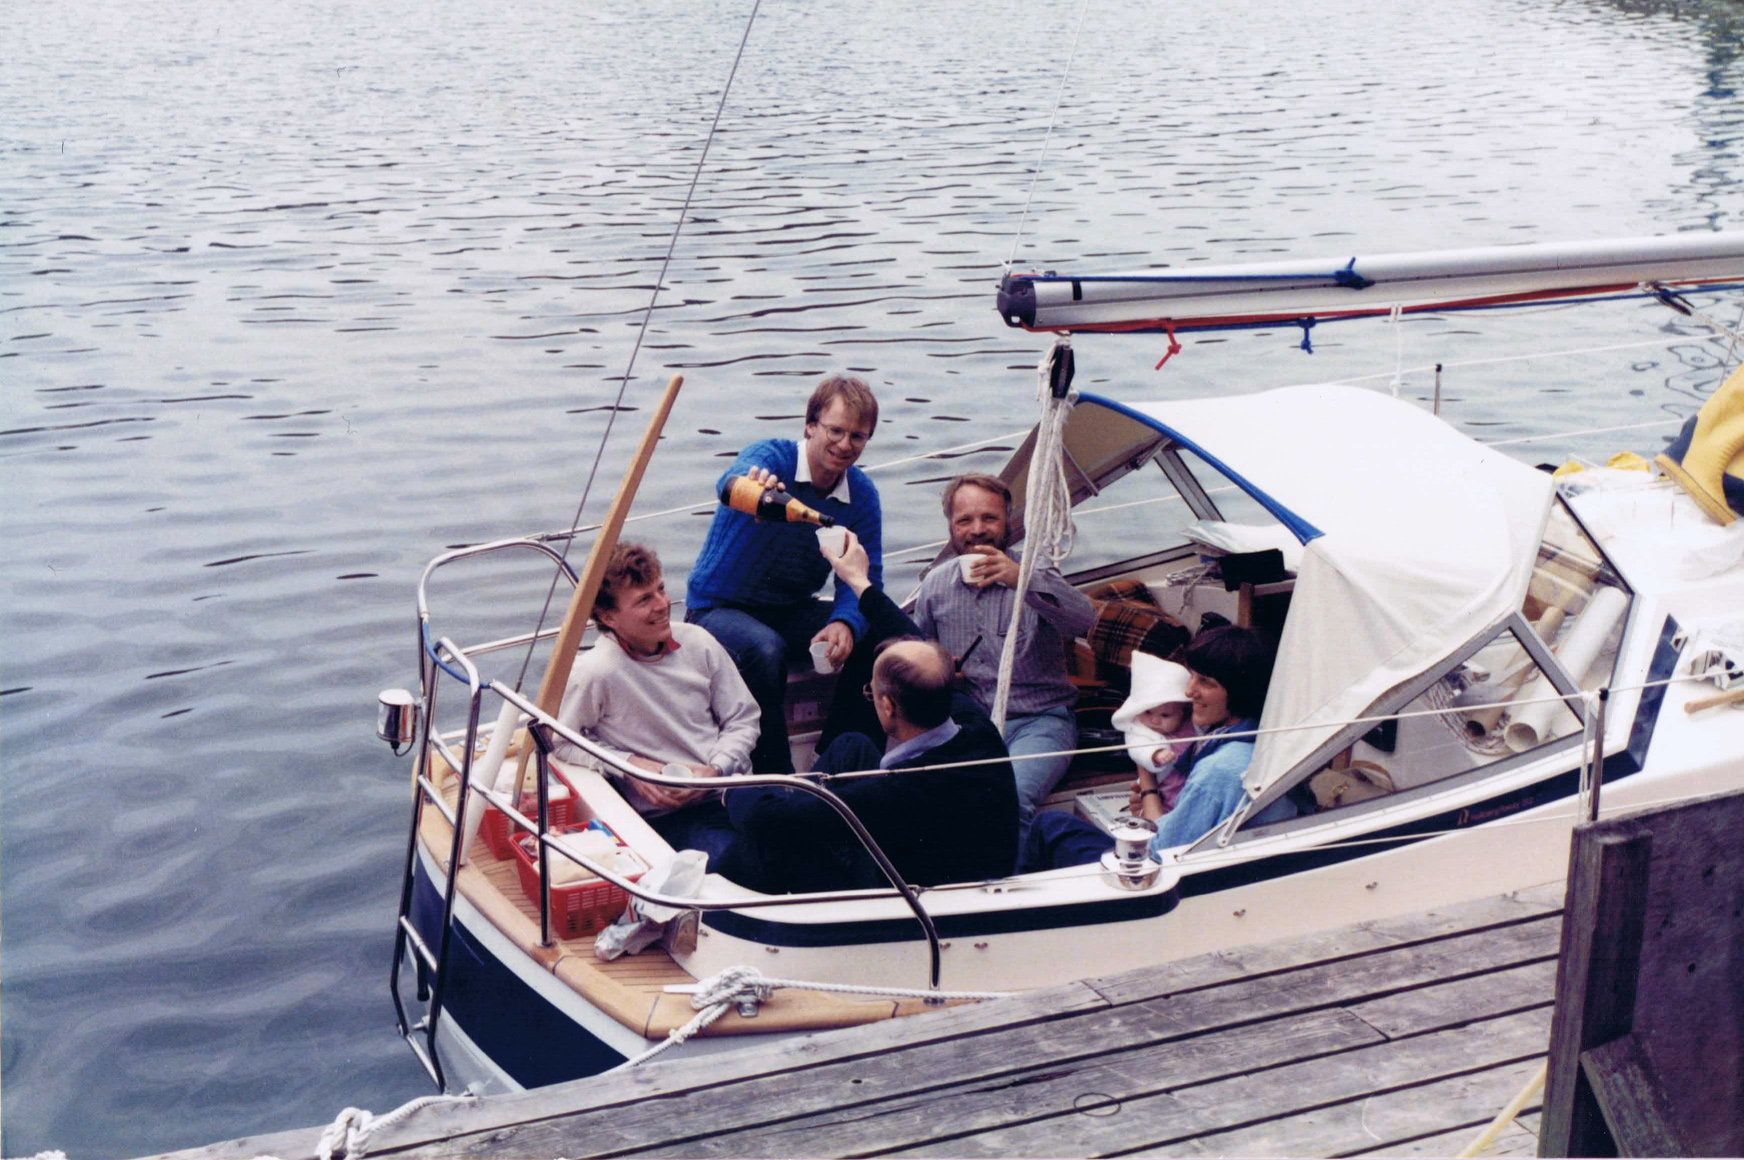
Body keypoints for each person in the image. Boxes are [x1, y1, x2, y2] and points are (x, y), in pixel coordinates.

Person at [716, 632, 1020, 895]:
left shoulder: (896, 792)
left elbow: (764, 819)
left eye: (870, 692)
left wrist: (733, 789)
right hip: (949, 856)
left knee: (769, 837)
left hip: (901, 901)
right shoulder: (981, 730)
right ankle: (803, 808)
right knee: (852, 745)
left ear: (888, 705)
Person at [685, 373, 884, 773]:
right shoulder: (773, 458)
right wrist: (756, 487)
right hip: (717, 608)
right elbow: (729, 482)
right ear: (810, 426)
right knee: (764, 650)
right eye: (835, 430)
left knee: (879, 632)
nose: (845, 444)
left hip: (790, 608)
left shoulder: (862, 495)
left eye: (857, 436)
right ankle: (775, 776)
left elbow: (866, 575)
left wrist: (845, 621)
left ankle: (838, 759)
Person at [912, 473, 1096, 845]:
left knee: (1010, 800)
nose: (977, 530)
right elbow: (920, 656)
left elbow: (1084, 621)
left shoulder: (1036, 571)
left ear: (1008, 521)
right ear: (951, 527)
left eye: (989, 518)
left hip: (1041, 721)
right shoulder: (934, 585)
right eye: (965, 520)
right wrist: (945, 672)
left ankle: (1011, 879)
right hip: (969, 723)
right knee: (929, 799)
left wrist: (1023, 581)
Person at [1019, 624, 1295, 870]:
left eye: (1206, 682)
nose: (1189, 691)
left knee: (1050, 826)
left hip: (1166, 882)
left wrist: (1148, 786)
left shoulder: (1220, 769)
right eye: (1192, 676)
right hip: (1227, 860)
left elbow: (1159, 851)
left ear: (1241, 692)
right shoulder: (1267, 737)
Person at [551, 542, 759, 866]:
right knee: (741, 864)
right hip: (672, 816)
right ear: (609, 617)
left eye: (660, 589)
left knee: (804, 840)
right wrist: (630, 766)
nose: (662, 605)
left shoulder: (698, 642)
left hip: (734, 790)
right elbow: (562, 741)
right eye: (644, 599)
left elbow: (743, 718)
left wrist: (716, 768)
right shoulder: (596, 672)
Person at [1113, 652, 1198, 822]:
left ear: (1183, 713)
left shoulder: (1191, 726)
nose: (1154, 720)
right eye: (1147, 712)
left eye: (1165, 715)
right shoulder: (1139, 729)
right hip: (1164, 784)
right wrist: (1155, 754)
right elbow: (1138, 748)